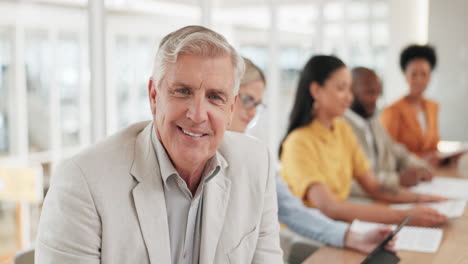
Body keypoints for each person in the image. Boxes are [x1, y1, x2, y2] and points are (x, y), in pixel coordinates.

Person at [35, 26, 283, 264]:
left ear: (231, 107)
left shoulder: (255, 163)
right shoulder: (83, 181)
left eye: (215, 97)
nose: (197, 114)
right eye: (182, 91)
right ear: (154, 96)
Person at [232, 58, 395, 253]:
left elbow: (291, 209)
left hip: (320, 228)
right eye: (248, 100)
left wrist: (352, 237)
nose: (251, 114)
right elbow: (329, 207)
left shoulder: (254, 155)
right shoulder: (298, 141)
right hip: (304, 237)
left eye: (257, 105)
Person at [279, 55, 448, 228]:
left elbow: (374, 186)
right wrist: (404, 216)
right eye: (341, 89)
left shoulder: (341, 129)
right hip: (309, 234)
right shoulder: (298, 142)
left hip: (338, 226)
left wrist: (421, 199)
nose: (349, 98)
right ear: (316, 91)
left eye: (350, 89)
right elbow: (330, 207)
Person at [345, 67, 433, 190]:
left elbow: (396, 150)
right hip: (365, 198)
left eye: (378, 93)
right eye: (370, 93)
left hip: (387, 194)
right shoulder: (341, 126)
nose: (375, 99)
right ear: (350, 92)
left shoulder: (372, 121)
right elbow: (350, 178)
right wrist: (397, 179)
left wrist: (421, 167)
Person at [380, 45, 440, 165]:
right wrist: (421, 158)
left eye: (424, 74)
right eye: (414, 74)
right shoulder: (392, 111)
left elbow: (433, 145)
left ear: (430, 77)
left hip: (433, 172)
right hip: (406, 173)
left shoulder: (433, 107)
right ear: (405, 76)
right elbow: (388, 152)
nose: (419, 80)